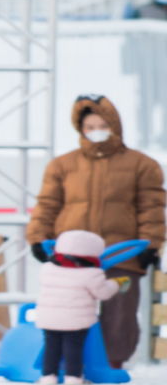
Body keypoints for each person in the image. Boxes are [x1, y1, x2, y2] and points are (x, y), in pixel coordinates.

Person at [27, 95, 165, 369]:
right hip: (71, 256)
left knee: (120, 311)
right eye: (89, 126)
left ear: (114, 125)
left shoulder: (142, 164)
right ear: (81, 129)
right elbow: (47, 204)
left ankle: (112, 361)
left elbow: (152, 207)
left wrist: (150, 245)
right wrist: (38, 238)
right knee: (68, 307)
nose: (95, 131)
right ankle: (67, 361)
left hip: (121, 251)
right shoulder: (62, 165)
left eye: (102, 124)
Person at [35, 230, 130, 385]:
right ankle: (73, 377)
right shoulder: (92, 273)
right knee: (73, 347)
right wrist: (116, 283)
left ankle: (48, 376)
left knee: (51, 346)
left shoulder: (47, 268)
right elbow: (103, 293)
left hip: (49, 316)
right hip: (76, 319)